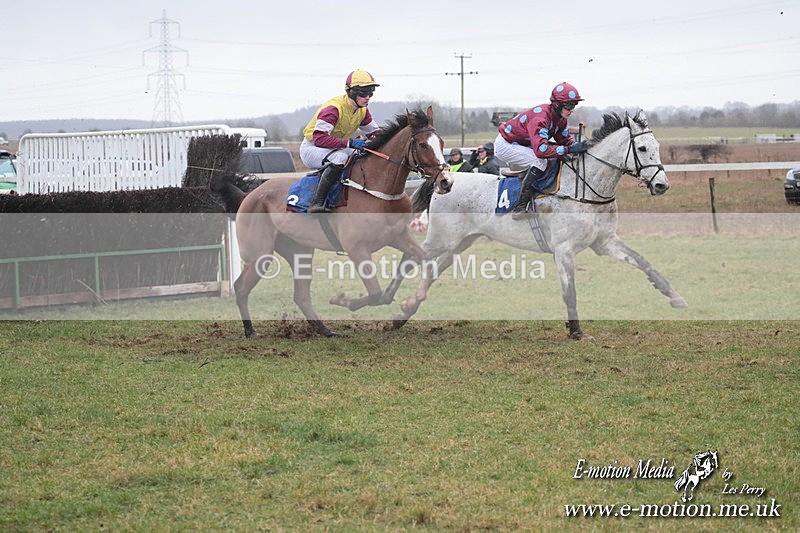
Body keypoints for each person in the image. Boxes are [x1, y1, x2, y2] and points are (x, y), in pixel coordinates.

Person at [494, 82, 588, 219]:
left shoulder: (560, 119)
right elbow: (541, 151)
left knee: (553, 156)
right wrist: (568, 149)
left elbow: (564, 140)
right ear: (557, 104)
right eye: (569, 106)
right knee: (540, 161)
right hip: (506, 144)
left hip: (522, 144)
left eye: (574, 105)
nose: (572, 110)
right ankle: (520, 207)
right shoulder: (541, 118)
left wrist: (580, 146)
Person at [300, 70, 382, 213]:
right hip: (312, 148)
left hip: (334, 147)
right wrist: (349, 143)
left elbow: (375, 134)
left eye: (371, 93)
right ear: (351, 92)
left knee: (361, 154)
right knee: (340, 157)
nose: (367, 97)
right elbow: (319, 139)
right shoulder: (333, 109)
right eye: (363, 93)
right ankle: (317, 202)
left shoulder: (362, 111)